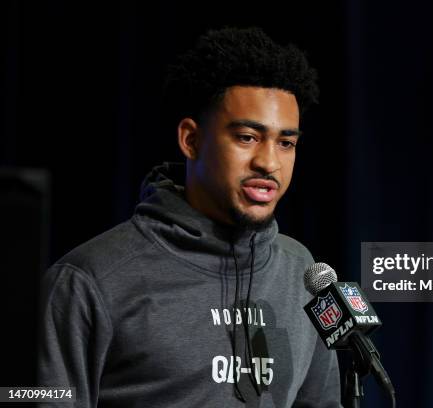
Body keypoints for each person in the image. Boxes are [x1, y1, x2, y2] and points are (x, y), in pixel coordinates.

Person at [38, 27, 342, 407]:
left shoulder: (302, 272)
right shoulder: (87, 280)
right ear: (191, 140)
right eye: (247, 137)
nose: (269, 162)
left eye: (286, 143)